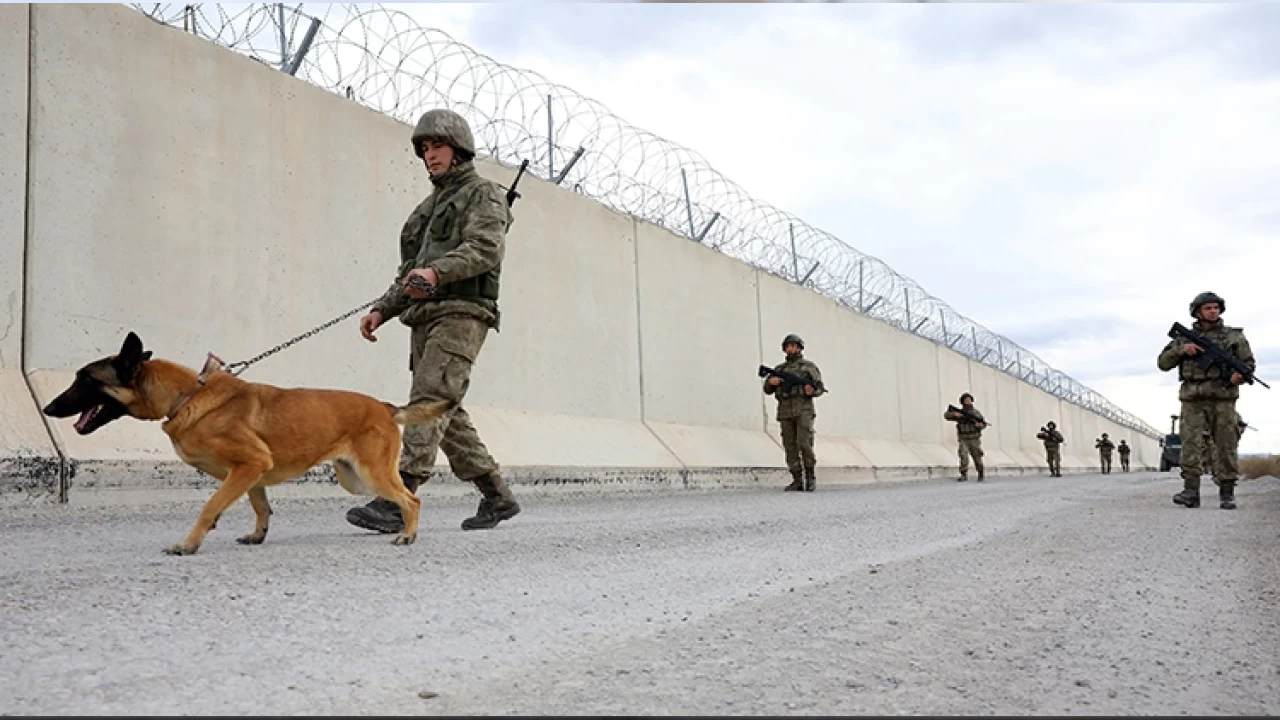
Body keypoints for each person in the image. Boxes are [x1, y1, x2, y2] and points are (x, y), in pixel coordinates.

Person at [347, 108, 521, 533]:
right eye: (424, 148)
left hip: (462, 315)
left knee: (427, 402)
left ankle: (397, 498)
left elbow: (485, 249)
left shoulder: (483, 194)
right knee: (446, 409)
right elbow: (410, 273)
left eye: (437, 146)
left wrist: (438, 273)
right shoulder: (424, 211)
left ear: (459, 149)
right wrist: (381, 310)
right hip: (424, 317)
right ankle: (497, 496)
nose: (430, 155)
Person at [1157, 291, 1256, 510]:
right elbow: (1163, 363)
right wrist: (1182, 351)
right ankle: (1191, 491)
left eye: (1216, 308)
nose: (1213, 311)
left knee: (1226, 445)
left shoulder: (1233, 337)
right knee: (1191, 445)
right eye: (1208, 308)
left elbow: (1248, 363)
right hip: (1193, 399)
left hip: (1223, 399)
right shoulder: (1184, 338)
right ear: (1197, 312)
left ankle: (1227, 493)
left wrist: (1240, 375)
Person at [762, 334, 825, 492]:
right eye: (788, 346)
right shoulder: (779, 369)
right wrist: (771, 382)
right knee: (789, 446)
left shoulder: (808, 367)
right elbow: (767, 389)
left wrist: (812, 391)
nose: (791, 349)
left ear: (799, 348)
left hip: (803, 409)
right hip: (785, 411)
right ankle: (797, 479)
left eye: (794, 346)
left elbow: (819, 387)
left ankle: (810, 477)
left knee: (804, 443)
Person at [944, 393, 987, 482]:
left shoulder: (976, 413)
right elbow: (946, 415)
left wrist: (979, 425)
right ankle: (963, 475)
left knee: (977, 457)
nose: (967, 401)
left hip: (974, 438)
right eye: (965, 400)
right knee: (963, 456)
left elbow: (983, 423)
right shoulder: (960, 412)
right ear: (962, 401)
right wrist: (954, 415)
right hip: (963, 438)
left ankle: (981, 474)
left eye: (969, 399)